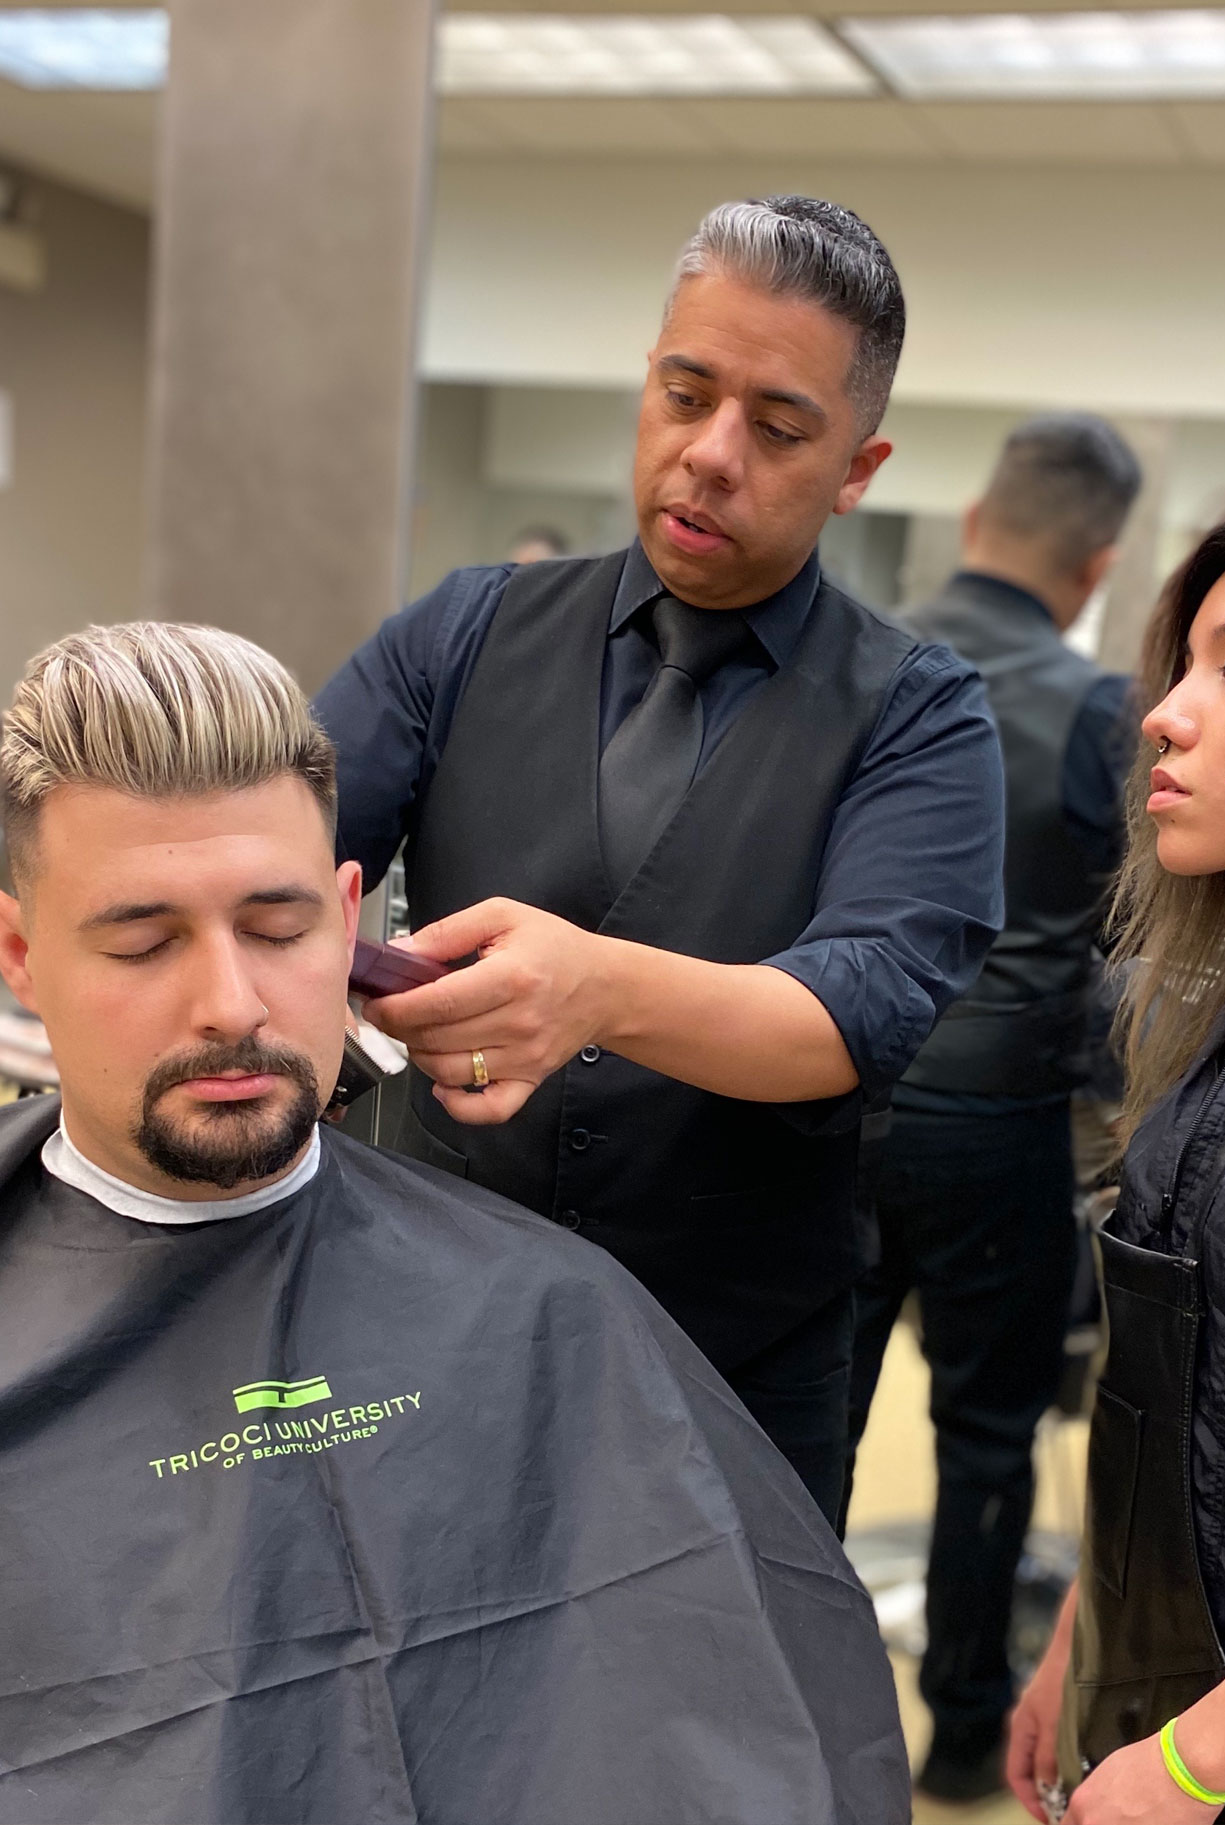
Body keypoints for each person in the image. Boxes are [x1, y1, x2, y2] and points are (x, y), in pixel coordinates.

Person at [0, 622, 911, 1825]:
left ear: (346, 916)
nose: (230, 1003)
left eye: (278, 932)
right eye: (143, 940)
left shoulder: (550, 1311)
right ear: (18, 953)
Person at [314, 195, 1004, 1529]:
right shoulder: (466, 632)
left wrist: (596, 990)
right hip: (432, 1312)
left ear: (858, 467)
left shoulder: (917, 712)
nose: (710, 454)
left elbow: (858, 1003)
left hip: (732, 1357)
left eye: (779, 427)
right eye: (684, 395)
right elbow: (291, 859)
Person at [1009, 493, 1225, 1823]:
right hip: (1159, 1688)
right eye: (1182, 667)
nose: (1164, 711)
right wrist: (1080, 1643)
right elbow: (1186, 1388)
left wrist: (1195, 1760)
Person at [843, 413, 1142, 1802]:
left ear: (972, 523)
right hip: (1000, 1122)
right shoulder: (1096, 715)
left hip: (831, 1095)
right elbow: (1131, 930)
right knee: (982, 1434)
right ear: (1092, 568)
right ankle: (962, 1729)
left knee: (807, 1413)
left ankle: (781, 1694)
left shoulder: (855, 660)